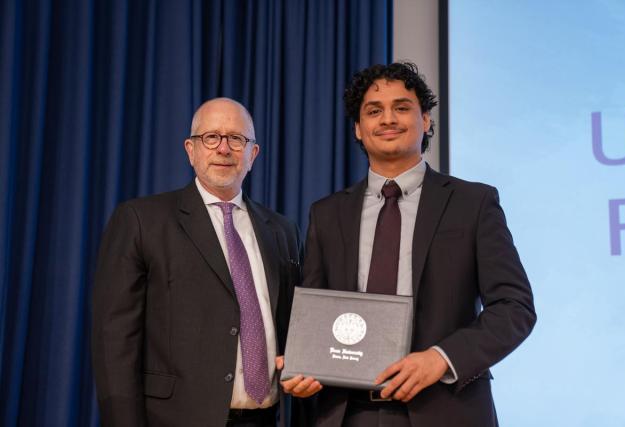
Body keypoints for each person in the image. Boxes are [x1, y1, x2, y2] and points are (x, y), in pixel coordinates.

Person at [280, 63, 536, 426]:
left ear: (426, 120)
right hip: (347, 414)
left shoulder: (473, 203)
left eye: (402, 107)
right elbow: (316, 315)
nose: (388, 119)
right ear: (358, 128)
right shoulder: (326, 213)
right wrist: (301, 365)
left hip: (446, 407)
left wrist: (442, 358)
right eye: (373, 110)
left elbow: (515, 307)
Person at [92, 98, 302, 427]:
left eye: (236, 138)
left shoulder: (283, 231)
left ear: (253, 154)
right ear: (191, 150)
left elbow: (293, 326)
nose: (223, 148)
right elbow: (114, 342)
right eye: (211, 137)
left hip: (267, 418)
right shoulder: (141, 220)